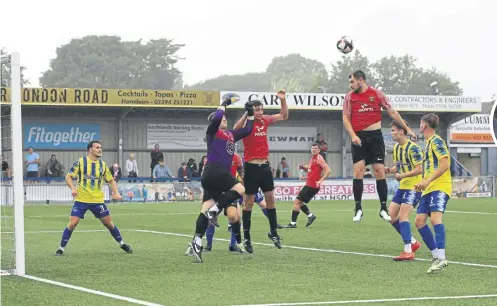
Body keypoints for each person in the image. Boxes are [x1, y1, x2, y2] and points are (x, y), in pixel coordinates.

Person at [186, 97, 255, 263]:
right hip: (214, 170)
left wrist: (250, 113)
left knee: (205, 209)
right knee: (240, 189)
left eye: (225, 118)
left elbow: (248, 130)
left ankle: (196, 242)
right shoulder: (212, 132)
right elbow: (217, 117)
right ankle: (214, 211)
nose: (224, 119)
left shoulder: (230, 134)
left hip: (212, 177)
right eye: (223, 117)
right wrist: (224, 104)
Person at [342, 70, 416, 223]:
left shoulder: (377, 94)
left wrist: (407, 129)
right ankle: (358, 209)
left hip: (375, 137)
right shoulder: (349, 96)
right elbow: (345, 118)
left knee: (379, 171)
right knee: (358, 171)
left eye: (352, 82)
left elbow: (392, 112)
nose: (350, 85)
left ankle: (383, 208)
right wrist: (353, 135)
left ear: (361, 80)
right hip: (359, 137)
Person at [225, 90, 289, 253]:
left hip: (265, 166)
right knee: (248, 203)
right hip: (251, 167)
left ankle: (273, 232)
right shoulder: (248, 124)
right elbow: (235, 128)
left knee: (270, 199)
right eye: (257, 110)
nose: (260, 112)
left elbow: (284, 115)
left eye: (261, 109)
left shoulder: (265, 120)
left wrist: (283, 100)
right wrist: (248, 114)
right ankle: (246, 238)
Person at [54, 140, 132, 256]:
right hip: (81, 200)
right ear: (90, 149)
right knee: (73, 223)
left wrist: (115, 192)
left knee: (109, 224)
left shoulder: (102, 165)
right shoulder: (80, 162)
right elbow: (68, 177)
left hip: (97, 201)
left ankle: (122, 243)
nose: (100, 149)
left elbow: (111, 180)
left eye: (101, 147)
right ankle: (61, 248)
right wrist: (73, 188)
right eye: (97, 147)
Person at [414, 113, 451, 273]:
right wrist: (423, 182)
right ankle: (436, 255)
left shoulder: (437, 141)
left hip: (440, 186)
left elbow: (445, 164)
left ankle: (442, 257)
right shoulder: (428, 143)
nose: (419, 126)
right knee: (419, 221)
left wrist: (428, 180)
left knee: (435, 219)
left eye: (421, 123)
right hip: (429, 188)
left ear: (424, 125)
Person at [385, 120, 423, 261]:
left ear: (402, 131)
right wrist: (388, 170)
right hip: (402, 187)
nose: (392, 133)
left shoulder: (413, 148)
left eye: (393, 130)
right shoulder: (396, 148)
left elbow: (419, 169)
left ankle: (408, 250)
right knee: (391, 216)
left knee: (403, 217)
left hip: (413, 187)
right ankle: (413, 242)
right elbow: (398, 167)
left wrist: (402, 175)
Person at [283, 143, 330, 228]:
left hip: (312, 186)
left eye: (316, 148)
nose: (314, 149)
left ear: (319, 150)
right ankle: (310, 216)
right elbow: (310, 169)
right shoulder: (313, 159)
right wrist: (302, 168)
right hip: (310, 185)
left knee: (297, 202)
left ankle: (293, 224)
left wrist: (321, 180)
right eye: (312, 148)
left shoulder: (319, 158)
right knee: (300, 202)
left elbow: (328, 170)